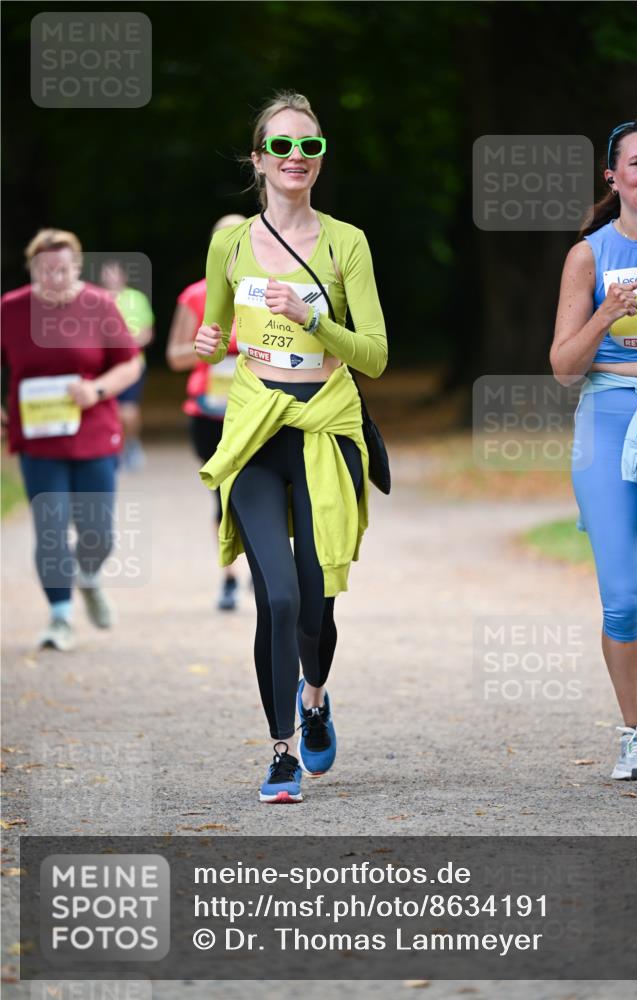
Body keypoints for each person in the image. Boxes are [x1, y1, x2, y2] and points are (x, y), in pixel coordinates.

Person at [194, 91, 387, 803]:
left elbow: (374, 356)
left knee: (313, 604)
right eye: (281, 146)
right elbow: (213, 333)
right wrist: (208, 341)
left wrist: (314, 316)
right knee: (273, 597)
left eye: (309, 146)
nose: (296, 158)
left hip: (325, 425)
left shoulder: (347, 243)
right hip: (254, 426)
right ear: (259, 160)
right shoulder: (230, 241)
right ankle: (280, 753)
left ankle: (313, 698)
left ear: (320, 157)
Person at [551, 118, 637, 780]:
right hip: (608, 416)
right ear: (613, 177)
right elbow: (564, 367)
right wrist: (604, 314)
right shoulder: (588, 256)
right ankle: (635, 734)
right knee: (622, 599)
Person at [1, 229, 142, 650]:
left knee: (98, 533)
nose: (54, 278)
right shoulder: (11, 309)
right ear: (32, 269)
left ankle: (89, 576)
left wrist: (95, 390)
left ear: (77, 267)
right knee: (50, 528)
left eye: (62, 270)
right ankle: (59, 617)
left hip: (94, 432)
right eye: (44, 270)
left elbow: (130, 365)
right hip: (39, 440)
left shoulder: (99, 305)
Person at [166, 214, 246, 610]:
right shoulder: (195, 295)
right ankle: (230, 576)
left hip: (258, 411)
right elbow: (174, 357)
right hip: (208, 413)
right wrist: (203, 349)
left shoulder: (268, 293)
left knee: (259, 489)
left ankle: (260, 566)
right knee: (223, 497)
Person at [100, 261, 154, 471]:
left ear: (123, 277)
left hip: (132, 363)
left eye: (115, 274)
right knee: (109, 412)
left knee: (128, 411)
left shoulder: (136, 299)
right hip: (105, 367)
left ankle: (132, 444)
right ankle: (114, 450)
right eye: (108, 274)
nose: (112, 279)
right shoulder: (97, 299)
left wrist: (123, 347)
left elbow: (147, 333)